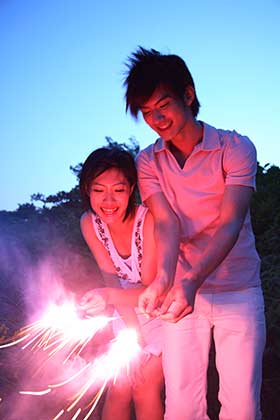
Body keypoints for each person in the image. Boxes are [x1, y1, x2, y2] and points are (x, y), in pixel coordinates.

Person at [123, 46, 266, 420]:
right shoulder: (148, 161)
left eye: (163, 105)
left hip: (238, 287)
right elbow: (167, 224)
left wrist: (189, 281)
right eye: (147, 113)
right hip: (181, 294)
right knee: (182, 405)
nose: (156, 119)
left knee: (242, 406)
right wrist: (164, 279)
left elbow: (230, 222)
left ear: (188, 95)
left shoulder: (235, 148)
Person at [78, 146, 164, 420]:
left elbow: (152, 292)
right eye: (98, 189)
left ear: (131, 188)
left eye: (118, 189)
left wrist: (107, 295)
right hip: (126, 313)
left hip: (162, 310)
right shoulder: (90, 224)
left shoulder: (148, 219)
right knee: (118, 385)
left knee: (144, 385)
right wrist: (133, 336)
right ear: (87, 191)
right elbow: (111, 280)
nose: (109, 200)